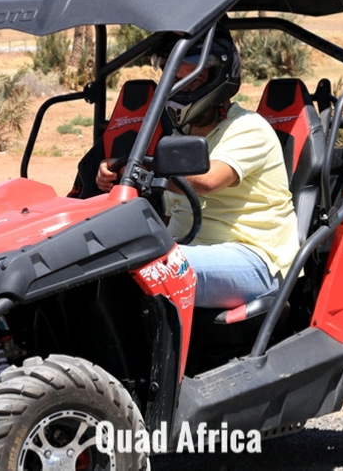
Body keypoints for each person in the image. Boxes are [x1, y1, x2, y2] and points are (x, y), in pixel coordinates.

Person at [96, 29, 299, 309]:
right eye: (175, 79)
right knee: (96, 259)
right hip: (187, 248)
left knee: (150, 269)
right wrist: (116, 173)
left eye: (193, 79)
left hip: (254, 258)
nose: (181, 88)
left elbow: (207, 180)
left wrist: (139, 166)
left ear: (216, 78)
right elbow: (171, 211)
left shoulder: (249, 128)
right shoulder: (181, 137)